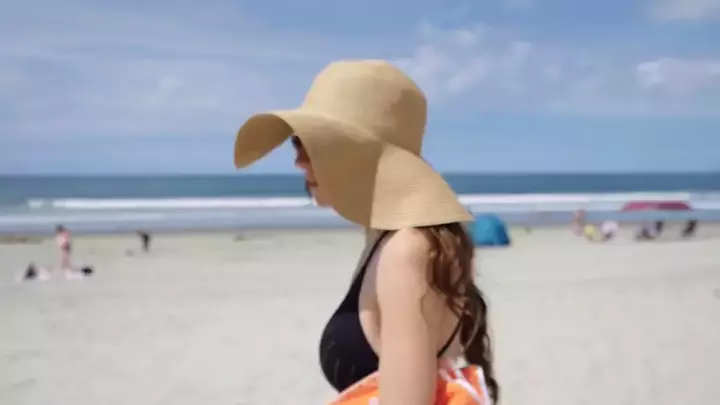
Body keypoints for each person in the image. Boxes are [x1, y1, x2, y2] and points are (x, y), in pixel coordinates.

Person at [232, 60, 498, 404]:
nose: (298, 161)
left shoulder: (407, 250)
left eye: (307, 143)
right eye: (297, 143)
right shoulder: (389, 240)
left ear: (356, 151)